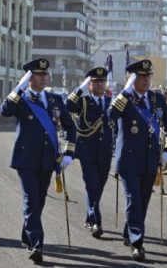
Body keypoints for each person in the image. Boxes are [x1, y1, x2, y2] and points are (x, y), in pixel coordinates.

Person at [0, 58, 77, 264]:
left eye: (45, 74)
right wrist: (19, 87)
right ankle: (37, 244)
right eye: (38, 74)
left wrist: (69, 153)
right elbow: (4, 110)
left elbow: (70, 127)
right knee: (31, 199)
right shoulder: (21, 99)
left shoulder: (55, 100)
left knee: (39, 201)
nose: (43, 78)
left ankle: (27, 233)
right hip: (25, 159)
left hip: (48, 159)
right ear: (29, 77)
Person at [108, 59, 167, 262]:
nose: (146, 80)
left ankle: (129, 233)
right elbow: (110, 115)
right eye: (141, 77)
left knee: (143, 202)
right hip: (128, 161)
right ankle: (137, 243)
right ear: (132, 79)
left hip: (149, 161)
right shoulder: (125, 99)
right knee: (134, 200)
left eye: (148, 76)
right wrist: (125, 92)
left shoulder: (156, 99)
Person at [65, 67, 115, 238]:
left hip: (105, 152)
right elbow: (68, 105)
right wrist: (81, 87)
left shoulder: (111, 102)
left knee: (99, 187)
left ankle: (89, 215)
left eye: (102, 81)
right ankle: (96, 222)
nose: (100, 84)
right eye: (96, 82)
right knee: (92, 185)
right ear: (90, 85)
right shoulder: (84, 102)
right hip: (87, 151)